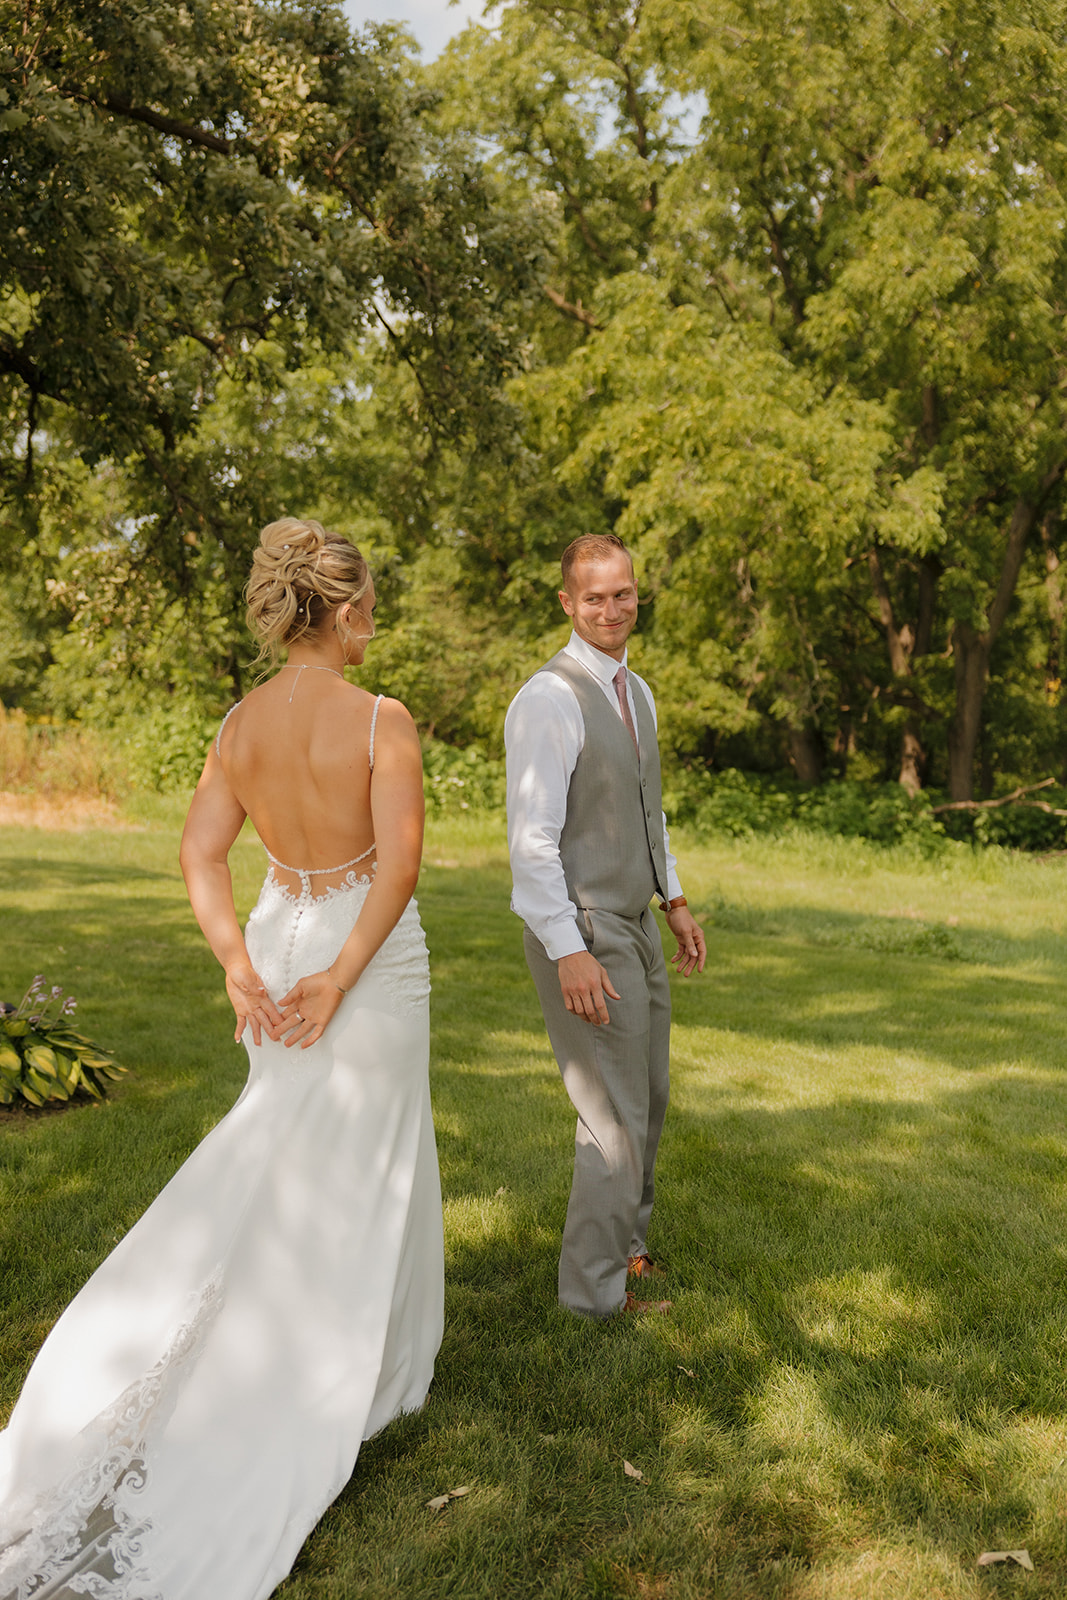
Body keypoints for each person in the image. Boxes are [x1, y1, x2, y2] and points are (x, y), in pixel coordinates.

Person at [0, 517, 443, 1600]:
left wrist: (238, 962)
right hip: (357, 959)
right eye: (368, 605)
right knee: (362, 1155)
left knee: (281, 1147)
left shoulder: (239, 723)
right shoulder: (383, 721)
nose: (373, 622)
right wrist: (335, 978)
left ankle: (255, 1334)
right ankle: (354, 1372)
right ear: (340, 610)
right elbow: (398, 868)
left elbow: (200, 850)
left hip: (281, 929)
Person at [504, 533, 706, 1319]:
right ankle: (592, 1297)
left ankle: (627, 1248)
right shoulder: (549, 698)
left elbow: (644, 808)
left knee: (646, 1098)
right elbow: (531, 840)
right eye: (594, 597)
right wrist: (568, 950)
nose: (612, 609)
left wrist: (674, 898)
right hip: (584, 927)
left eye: (622, 593)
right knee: (609, 1113)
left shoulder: (637, 690)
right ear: (567, 602)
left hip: (636, 920)